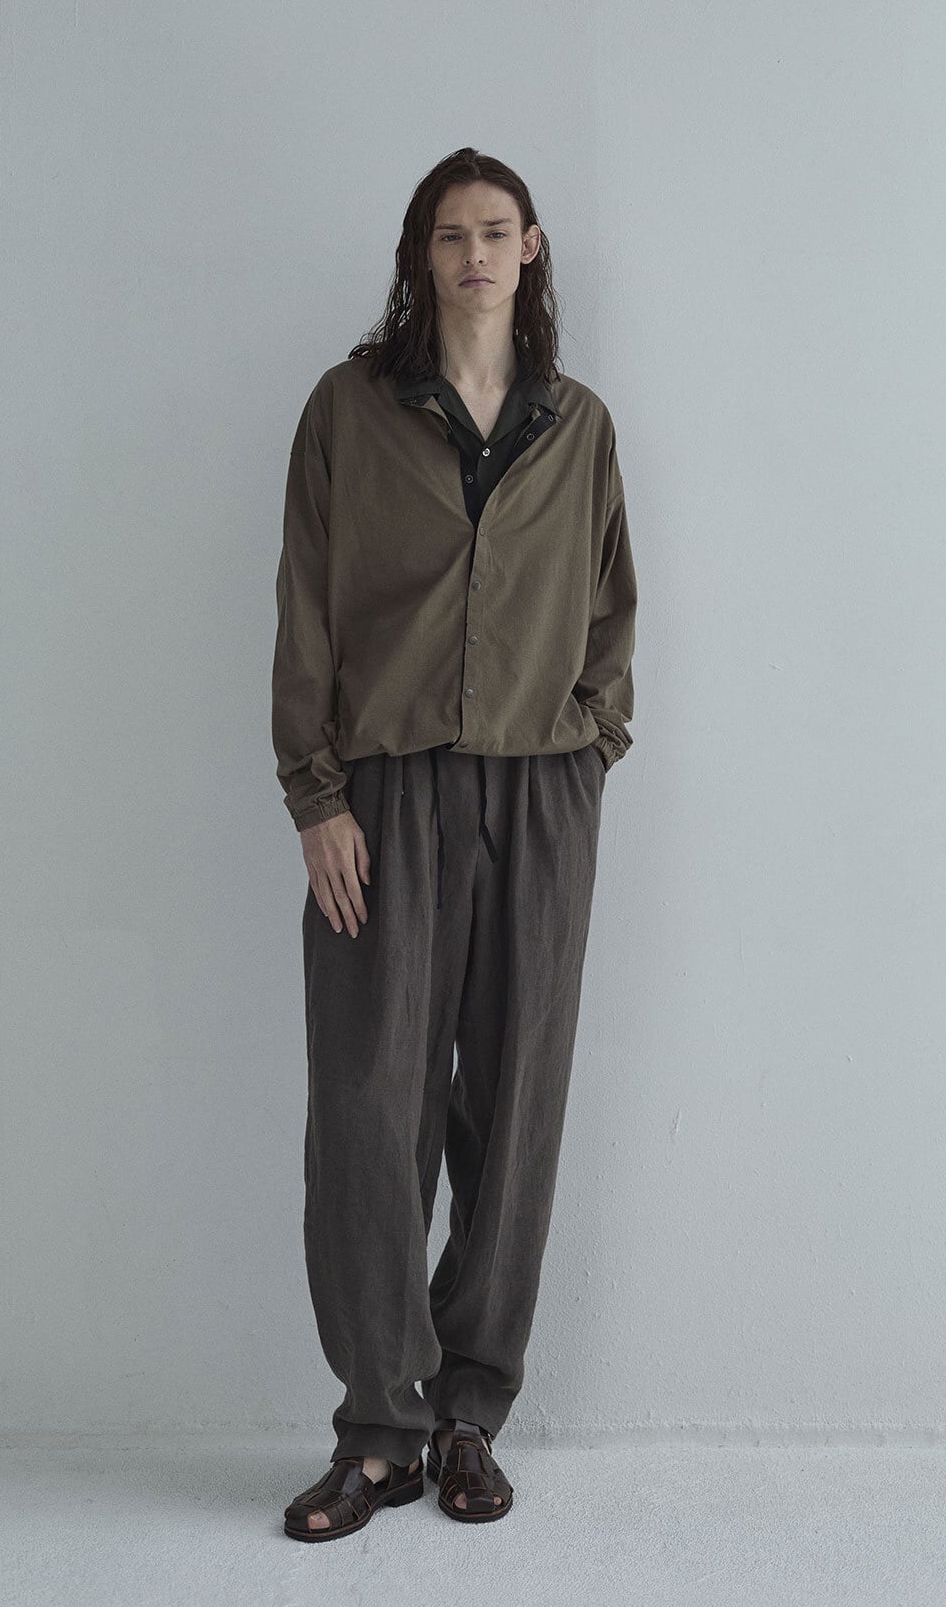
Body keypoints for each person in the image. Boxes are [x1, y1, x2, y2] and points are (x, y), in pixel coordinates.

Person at [272, 147, 638, 1540]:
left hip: (540, 795)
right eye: (448, 235)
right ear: (420, 257)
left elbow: (611, 602)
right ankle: (379, 1430)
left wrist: (592, 742)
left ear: (530, 248)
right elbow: (306, 602)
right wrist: (317, 795)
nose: (473, 255)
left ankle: (470, 1412)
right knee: (372, 1104)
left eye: (495, 232)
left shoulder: (577, 426)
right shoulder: (349, 409)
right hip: (383, 791)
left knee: (516, 1103)